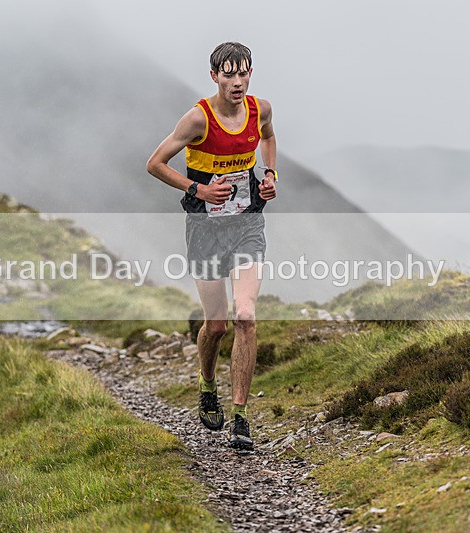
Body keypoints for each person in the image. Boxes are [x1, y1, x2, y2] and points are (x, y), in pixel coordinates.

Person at [147, 42, 278, 450]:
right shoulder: (198, 119)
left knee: (246, 316)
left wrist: (270, 175)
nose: (237, 82)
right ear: (214, 76)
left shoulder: (261, 109)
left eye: (243, 73)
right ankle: (207, 385)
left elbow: (269, 138)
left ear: (250, 73)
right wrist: (198, 189)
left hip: (247, 224)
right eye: (228, 74)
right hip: (205, 229)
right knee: (217, 325)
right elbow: (155, 164)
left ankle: (240, 418)